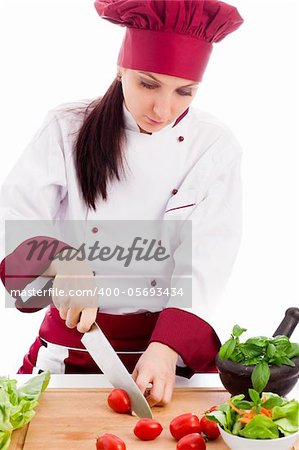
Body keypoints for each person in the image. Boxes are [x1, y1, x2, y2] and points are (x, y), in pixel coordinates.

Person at [0, 0, 243, 406]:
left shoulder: (214, 146)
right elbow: (15, 217)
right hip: (76, 339)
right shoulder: (67, 127)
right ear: (121, 69)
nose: (163, 110)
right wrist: (62, 259)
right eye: (148, 84)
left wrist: (167, 347)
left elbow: (209, 254)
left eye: (185, 92)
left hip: (167, 345)